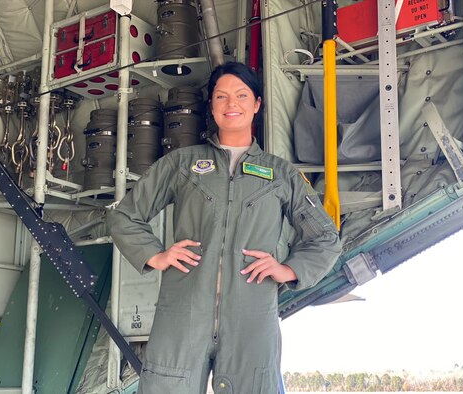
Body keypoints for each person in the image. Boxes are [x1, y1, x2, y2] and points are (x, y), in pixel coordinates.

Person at [108, 61, 342, 394]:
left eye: (241, 95)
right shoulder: (182, 164)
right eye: (221, 97)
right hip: (182, 315)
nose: (231, 104)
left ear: (257, 104)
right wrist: (156, 255)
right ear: (212, 106)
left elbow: (325, 239)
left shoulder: (281, 175)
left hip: (251, 319)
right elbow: (123, 215)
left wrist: (288, 269)